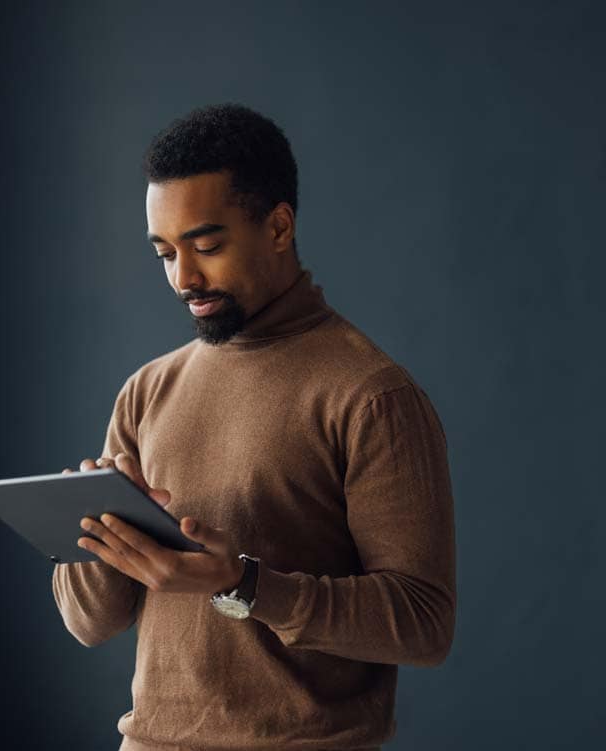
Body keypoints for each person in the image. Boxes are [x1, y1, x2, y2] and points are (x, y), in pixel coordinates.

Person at [52, 102, 457, 751]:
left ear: (278, 226)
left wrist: (241, 583)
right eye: (165, 252)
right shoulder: (146, 391)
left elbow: (423, 622)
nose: (184, 277)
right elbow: (91, 622)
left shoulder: (372, 395)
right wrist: (95, 531)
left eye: (207, 245)